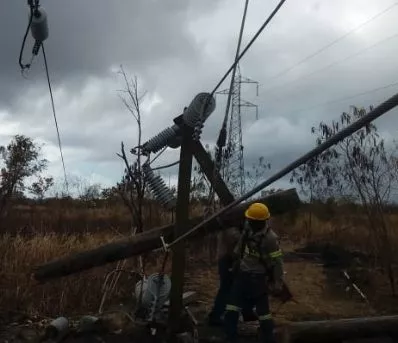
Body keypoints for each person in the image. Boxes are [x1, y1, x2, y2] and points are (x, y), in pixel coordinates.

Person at [224, 202, 284, 343]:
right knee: (232, 309)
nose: (250, 222)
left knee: (263, 314)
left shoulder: (271, 239)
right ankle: (230, 338)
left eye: (251, 220)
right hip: (243, 276)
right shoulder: (247, 230)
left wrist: (278, 283)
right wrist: (234, 263)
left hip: (258, 279)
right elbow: (239, 249)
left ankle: (268, 339)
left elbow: (277, 262)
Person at [207, 225, 258, 326]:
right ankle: (216, 316)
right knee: (226, 288)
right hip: (228, 259)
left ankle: (247, 312)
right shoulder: (230, 226)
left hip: (235, 258)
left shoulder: (239, 225)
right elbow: (234, 241)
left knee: (246, 286)